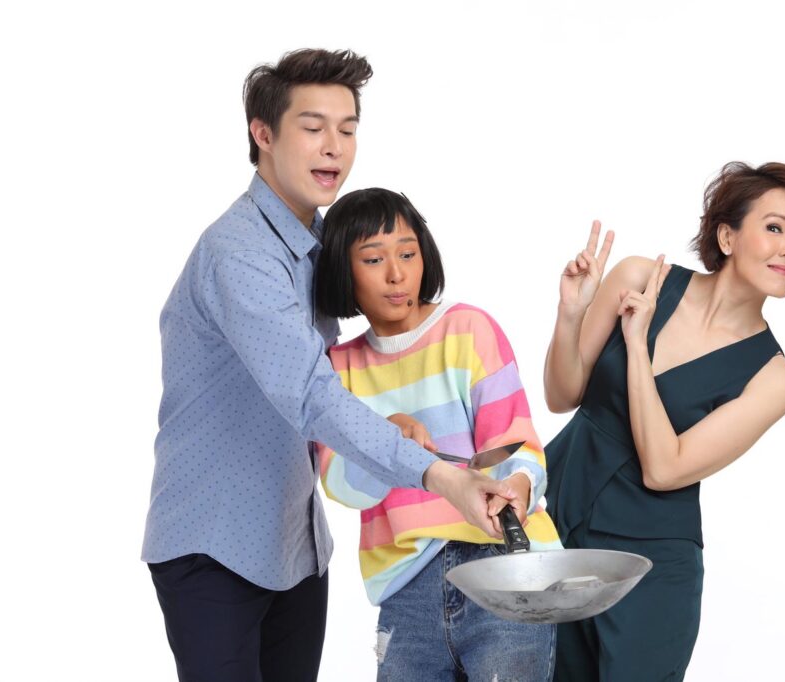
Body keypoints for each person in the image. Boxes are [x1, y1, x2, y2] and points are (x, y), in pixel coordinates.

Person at [141, 50, 517, 682]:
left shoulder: (322, 246)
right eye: (313, 127)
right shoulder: (240, 254)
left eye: (347, 129)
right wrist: (440, 477)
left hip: (293, 547)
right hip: (214, 545)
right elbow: (312, 394)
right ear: (263, 134)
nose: (334, 147)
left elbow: (355, 364)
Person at [543, 162, 785, 680]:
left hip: (650, 566)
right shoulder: (638, 276)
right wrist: (570, 314)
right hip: (560, 518)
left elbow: (664, 469)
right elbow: (563, 396)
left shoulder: (774, 379)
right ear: (727, 235)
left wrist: (636, 347)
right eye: (775, 227)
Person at [314, 188, 563, 681]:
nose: (397, 274)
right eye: (373, 259)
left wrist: (519, 486)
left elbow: (516, 443)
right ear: (343, 271)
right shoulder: (336, 369)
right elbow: (341, 486)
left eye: (408, 254)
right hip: (406, 591)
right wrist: (383, 438)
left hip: (503, 566)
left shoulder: (469, 330)